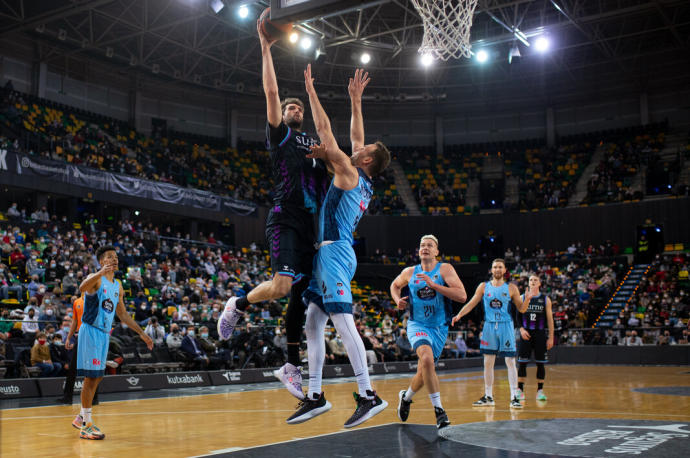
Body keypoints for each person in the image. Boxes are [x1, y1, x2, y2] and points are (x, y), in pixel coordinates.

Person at [217, 17, 329, 401]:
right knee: (281, 287)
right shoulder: (281, 136)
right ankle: (238, 303)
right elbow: (270, 90)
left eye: (299, 106)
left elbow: (338, 167)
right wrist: (266, 48)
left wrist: (327, 156)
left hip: (311, 229)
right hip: (284, 217)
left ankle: (291, 366)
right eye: (291, 106)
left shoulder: (316, 147)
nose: (295, 108)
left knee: (302, 298)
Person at [284, 65, 391, 427]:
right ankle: (314, 396)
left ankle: (368, 394)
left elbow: (328, 134)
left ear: (365, 161)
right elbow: (355, 136)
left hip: (334, 252)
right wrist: (355, 101)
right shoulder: (361, 177)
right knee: (313, 322)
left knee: (344, 322)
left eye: (365, 149)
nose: (359, 146)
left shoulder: (349, 171)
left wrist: (311, 91)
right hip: (332, 252)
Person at [67, 245, 152, 440]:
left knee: (97, 377)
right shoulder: (96, 280)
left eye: (115, 257)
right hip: (90, 330)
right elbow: (82, 288)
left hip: (104, 333)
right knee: (90, 378)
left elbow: (122, 314)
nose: (114, 260)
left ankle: (81, 416)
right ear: (101, 261)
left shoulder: (118, 285)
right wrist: (99, 273)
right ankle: (87, 425)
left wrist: (142, 333)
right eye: (109, 257)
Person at [390, 235, 467, 430]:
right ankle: (439, 411)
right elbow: (394, 285)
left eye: (429, 245)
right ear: (419, 250)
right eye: (422, 245)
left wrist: (434, 286)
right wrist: (396, 300)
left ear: (436, 251)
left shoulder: (445, 269)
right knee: (426, 360)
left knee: (423, 373)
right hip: (417, 325)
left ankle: (406, 398)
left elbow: (462, 295)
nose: (425, 247)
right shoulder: (410, 272)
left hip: (439, 328)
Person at [451, 258, 533, 409]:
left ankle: (514, 396)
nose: (497, 269)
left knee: (510, 362)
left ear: (504, 270)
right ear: (491, 269)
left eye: (500, 267)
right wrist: (459, 315)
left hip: (506, 326)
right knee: (487, 362)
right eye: (495, 267)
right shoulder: (483, 287)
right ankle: (488, 396)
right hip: (489, 326)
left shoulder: (511, 288)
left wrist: (527, 299)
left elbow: (521, 309)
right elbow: (471, 303)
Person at [516, 275, 554, 402]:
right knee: (522, 363)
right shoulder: (522, 297)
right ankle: (520, 390)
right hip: (526, 334)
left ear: (539, 283)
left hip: (540, 334)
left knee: (540, 364)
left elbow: (550, 319)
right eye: (530, 280)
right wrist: (521, 329)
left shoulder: (545, 299)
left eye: (535, 280)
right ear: (528, 283)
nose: (532, 282)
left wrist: (551, 337)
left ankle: (540, 391)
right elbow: (517, 316)